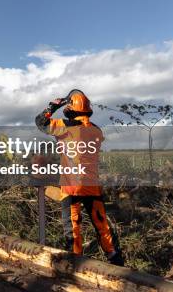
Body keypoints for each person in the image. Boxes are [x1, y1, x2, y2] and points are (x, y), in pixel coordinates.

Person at [35, 89, 124, 266]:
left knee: (73, 228)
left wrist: (53, 106)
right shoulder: (97, 131)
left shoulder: (64, 125)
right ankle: (117, 262)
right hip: (92, 186)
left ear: (70, 107)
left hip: (72, 187)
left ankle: (75, 265)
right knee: (102, 226)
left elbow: (40, 122)